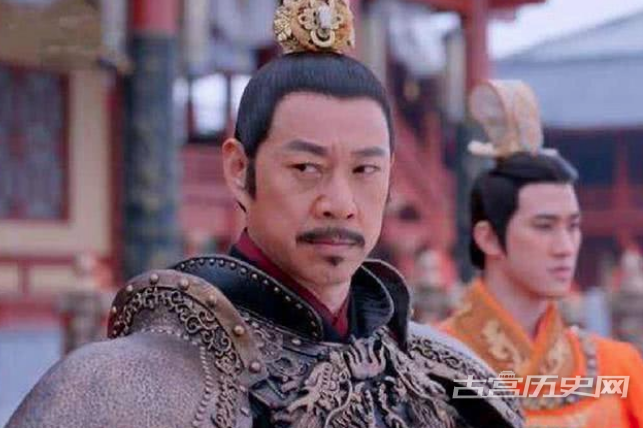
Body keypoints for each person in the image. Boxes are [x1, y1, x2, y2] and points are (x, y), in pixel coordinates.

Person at [7, 2, 523, 428]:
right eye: (306, 168)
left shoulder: (449, 377)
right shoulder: (116, 387)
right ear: (239, 170)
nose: (339, 202)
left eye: (365, 170)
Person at [441, 80, 643, 428]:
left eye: (573, 226)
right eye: (544, 226)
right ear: (489, 238)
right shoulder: (428, 365)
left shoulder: (618, 369)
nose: (565, 247)